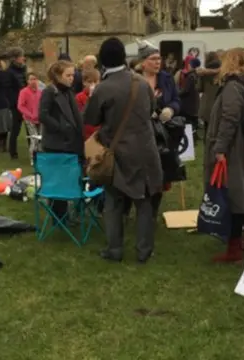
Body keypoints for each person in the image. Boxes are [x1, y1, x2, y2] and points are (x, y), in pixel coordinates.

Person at [83, 37, 163, 264]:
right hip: (146, 151)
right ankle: (144, 251)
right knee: (144, 202)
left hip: (118, 152)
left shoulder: (103, 88)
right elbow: (151, 110)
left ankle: (114, 250)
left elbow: (91, 119)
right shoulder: (141, 82)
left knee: (114, 202)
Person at [205, 48, 244, 263]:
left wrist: (220, 148)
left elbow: (229, 119)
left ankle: (234, 248)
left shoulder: (234, 86)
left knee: (235, 197)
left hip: (233, 147)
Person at [126, 39, 180, 218]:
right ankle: (128, 209)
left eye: (159, 59)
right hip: (136, 134)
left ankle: (152, 212)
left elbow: (176, 100)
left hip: (160, 135)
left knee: (159, 173)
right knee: (135, 174)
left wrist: (170, 109)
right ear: (143, 61)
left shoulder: (166, 78)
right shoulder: (132, 79)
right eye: (153, 59)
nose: (158, 62)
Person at [39, 60, 84, 223]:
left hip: (70, 143)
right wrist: (60, 127)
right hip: (56, 144)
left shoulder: (67, 91)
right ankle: (59, 218)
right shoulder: (50, 92)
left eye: (73, 75)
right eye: (68, 75)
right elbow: (43, 115)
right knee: (59, 182)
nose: (72, 78)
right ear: (58, 75)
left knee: (68, 180)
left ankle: (66, 214)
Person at [5, 47, 28, 159]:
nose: (23, 58)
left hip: (27, 103)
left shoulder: (23, 70)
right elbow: (9, 90)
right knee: (16, 128)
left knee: (30, 127)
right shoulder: (9, 72)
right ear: (15, 59)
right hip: (16, 104)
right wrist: (16, 102)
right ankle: (13, 152)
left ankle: (32, 150)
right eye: (21, 56)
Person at [17, 72, 43, 165]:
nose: (33, 81)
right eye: (31, 79)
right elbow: (20, 106)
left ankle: (40, 157)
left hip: (40, 119)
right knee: (34, 139)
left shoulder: (40, 92)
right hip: (29, 119)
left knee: (41, 139)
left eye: (35, 79)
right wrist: (30, 114)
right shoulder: (23, 92)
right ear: (27, 81)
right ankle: (33, 158)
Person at [197, 51, 222, 137]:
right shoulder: (223, 71)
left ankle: (208, 149)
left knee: (208, 132)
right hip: (219, 104)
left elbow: (199, 88)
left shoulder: (203, 72)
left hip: (207, 106)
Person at [75, 68, 101, 139]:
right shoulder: (79, 97)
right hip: (85, 133)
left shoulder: (102, 95)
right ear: (84, 82)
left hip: (99, 132)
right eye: (90, 82)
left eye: (95, 82)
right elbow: (80, 116)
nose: (93, 85)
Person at [179, 57, 201, 140]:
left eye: (189, 64)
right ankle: (194, 137)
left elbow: (186, 90)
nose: (188, 65)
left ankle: (190, 139)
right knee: (194, 122)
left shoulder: (190, 76)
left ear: (192, 65)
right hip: (194, 103)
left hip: (188, 103)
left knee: (188, 122)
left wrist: (177, 94)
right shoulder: (197, 75)